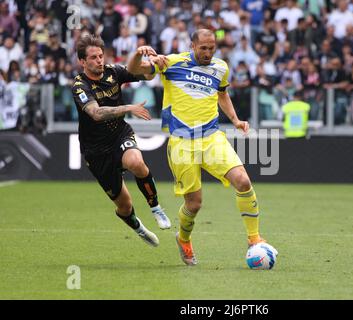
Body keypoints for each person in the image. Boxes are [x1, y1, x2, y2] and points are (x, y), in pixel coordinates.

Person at [127, 29, 273, 266]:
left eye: (211, 48)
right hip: (182, 142)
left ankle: (254, 238)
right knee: (194, 204)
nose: (207, 53)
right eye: (203, 48)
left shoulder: (221, 68)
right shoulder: (171, 62)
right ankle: (183, 239)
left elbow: (222, 95)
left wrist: (235, 120)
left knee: (243, 181)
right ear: (192, 45)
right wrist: (140, 55)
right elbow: (134, 70)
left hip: (212, 137)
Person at [71, 35, 171, 250]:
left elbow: (139, 71)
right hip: (96, 151)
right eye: (93, 57)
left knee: (136, 162)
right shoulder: (79, 86)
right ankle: (138, 227)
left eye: (100, 55)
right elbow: (96, 113)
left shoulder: (112, 71)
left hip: (119, 135)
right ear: (82, 61)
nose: (99, 60)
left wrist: (139, 55)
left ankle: (156, 208)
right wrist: (128, 108)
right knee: (124, 206)